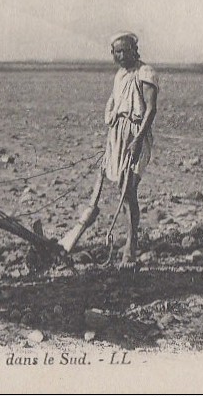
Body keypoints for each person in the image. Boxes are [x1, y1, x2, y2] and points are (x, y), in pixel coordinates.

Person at [60, 31, 159, 267]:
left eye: (125, 50)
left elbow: (151, 109)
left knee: (128, 189)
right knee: (120, 188)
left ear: (135, 50)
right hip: (117, 134)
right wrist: (111, 121)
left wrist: (138, 140)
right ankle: (127, 242)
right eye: (117, 52)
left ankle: (131, 246)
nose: (121, 55)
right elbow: (113, 103)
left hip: (136, 133)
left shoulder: (146, 73)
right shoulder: (120, 75)